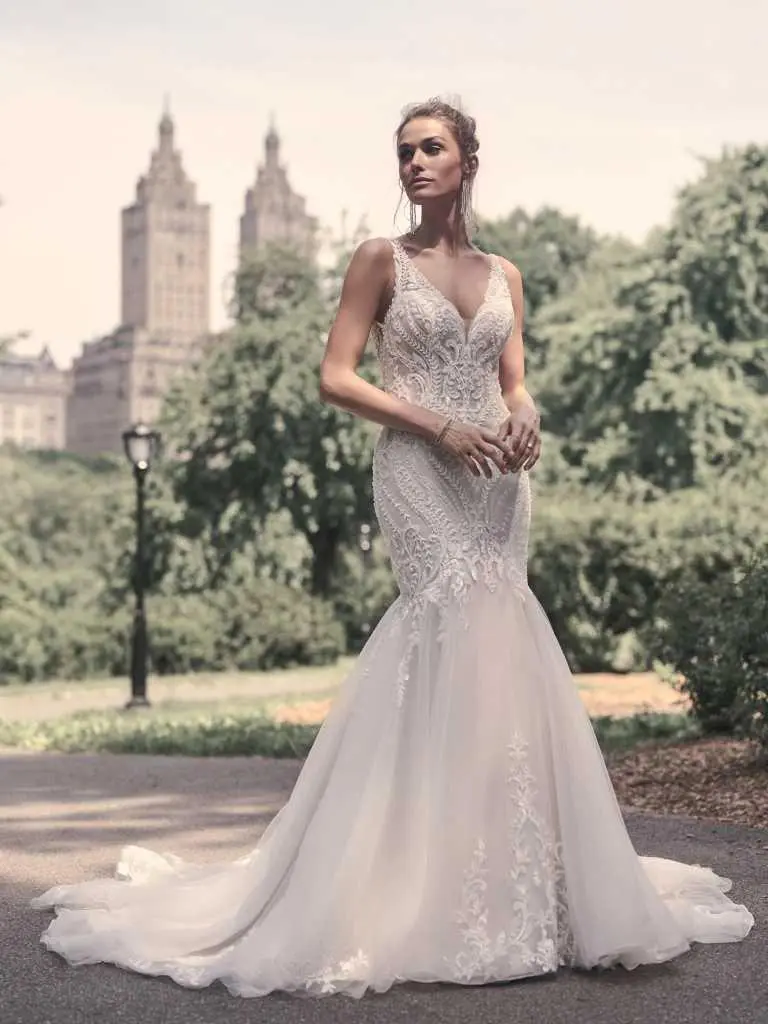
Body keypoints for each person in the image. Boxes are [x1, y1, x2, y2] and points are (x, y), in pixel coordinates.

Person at [31, 98, 754, 999]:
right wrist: (437, 425)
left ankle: (517, 887)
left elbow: (516, 380)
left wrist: (525, 419)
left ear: (467, 160)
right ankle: (414, 890)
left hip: (497, 478)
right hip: (419, 466)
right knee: (444, 622)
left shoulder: (506, 274)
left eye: (431, 147)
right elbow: (336, 376)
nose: (414, 161)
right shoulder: (381, 259)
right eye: (404, 150)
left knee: (502, 642)